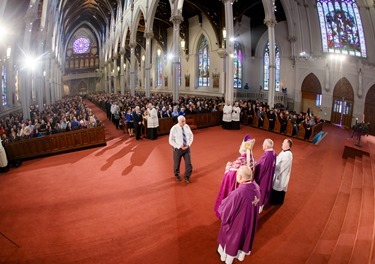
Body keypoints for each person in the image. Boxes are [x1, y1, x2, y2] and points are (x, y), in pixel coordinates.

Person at [217, 165, 260, 264]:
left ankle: (226, 258)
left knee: (232, 240)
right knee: (242, 240)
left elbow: (225, 211)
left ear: (240, 177)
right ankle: (239, 256)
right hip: (249, 223)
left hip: (237, 226)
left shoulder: (238, 193)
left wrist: (222, 208)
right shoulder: (257, 187)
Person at [213, 134, 255, 218]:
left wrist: (228, 166)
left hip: (238, 184)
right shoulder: (251, 158)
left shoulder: (241, 159)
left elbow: (231, 172)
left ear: (243, 148)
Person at [254, 138, 277, 213]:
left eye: (263, 144)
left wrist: (254, 165)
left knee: (262, 189)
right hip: (269, 175)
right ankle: (263, 204)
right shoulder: (273, 153)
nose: (262, 145)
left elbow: (261, 167)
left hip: (264, 177)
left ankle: (259, 206)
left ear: (266, 146)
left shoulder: (267, 155)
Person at [168, 115, 194, 183]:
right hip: (178, 149)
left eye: (184, 121)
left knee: (189, 164)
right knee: (177, 163)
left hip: (187, 148)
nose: (184, 123)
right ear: (179, 121)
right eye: (182, 122)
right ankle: (177, 175)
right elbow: (171, 140)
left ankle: (187, 177)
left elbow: (191, 136)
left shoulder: (187, 126)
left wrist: (188, 144)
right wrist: (179, 146)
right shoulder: (174, 128)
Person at [270, 138, 293, 205]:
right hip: (279, 175)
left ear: (288, 145)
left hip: (280, 176)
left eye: (284, 142)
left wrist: (272, 169)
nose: (282, 143)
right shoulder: (284, 151)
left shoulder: (287, 155)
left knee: (278, 188)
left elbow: (281, 167)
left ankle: (276, 202)